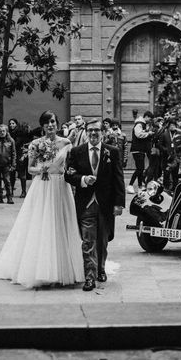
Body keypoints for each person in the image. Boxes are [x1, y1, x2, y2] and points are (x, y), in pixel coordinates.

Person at [0, 110, 85, 288]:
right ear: (42, 126)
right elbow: (30, 170)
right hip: (43, 186)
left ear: (57, 124)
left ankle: (65, 266)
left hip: (60, 186)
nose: (50, 125)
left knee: (62, 223)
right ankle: (42, 268)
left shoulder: (66, 142)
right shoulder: (36, 144)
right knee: (42, 224)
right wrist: (43, 168)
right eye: (47, 122)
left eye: (53, 121)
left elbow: (69, 166)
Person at [65, 119, 125, 291]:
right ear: (85, 132)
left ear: (102, 132)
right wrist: (83, 179)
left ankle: (101, 268)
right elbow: (69, 175)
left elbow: (118, 178)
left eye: (96, 131)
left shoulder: (112, 152)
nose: (93, 133)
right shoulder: (77, 152)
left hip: (106, 204)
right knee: (88, 241)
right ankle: (89, 277)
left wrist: (119, 203)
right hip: (86, 204)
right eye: (90, 130)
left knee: (103, 241)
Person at [127, 111, 153, 194]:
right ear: (146, 116)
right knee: (140, 169)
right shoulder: (139, 124)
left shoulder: (142, 124)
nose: (150, 120)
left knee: (140, 169)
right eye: (150, 118)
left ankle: (140, 187)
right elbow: (138, 134)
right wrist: (148, 133)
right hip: (137, 149)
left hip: (140, 150)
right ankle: (130, 185)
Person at [0, 124, 16, 204]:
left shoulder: (11, 140)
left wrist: (13, 164)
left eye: (3, 131)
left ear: (6, 131)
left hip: (6, 164)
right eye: (0, 131)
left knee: (7, 181)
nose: (2, 132)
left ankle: (9, 197)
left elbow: (13, 153)